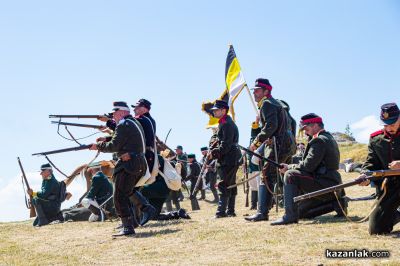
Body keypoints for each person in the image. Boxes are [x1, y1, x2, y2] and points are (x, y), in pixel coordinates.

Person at [89, 101, 156, 237]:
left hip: (130, 163)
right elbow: (123, 140)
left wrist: (99, 146)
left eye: (115, 113)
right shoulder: (131, 123)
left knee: (119, 196)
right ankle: (145, 208)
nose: (113, 116)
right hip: (137, 162)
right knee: (127, 191)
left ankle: (128, 227)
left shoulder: (124, 124)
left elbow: (115, 145)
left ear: (122, 112)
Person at [271, 113, 346, 225]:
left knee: (290, 175)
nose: (305, 132)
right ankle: (335, 204)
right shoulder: (328, 137)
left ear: (315, 125)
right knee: (300, 212)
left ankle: (290, 216)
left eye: (306, 128)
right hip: (330, 183)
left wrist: (288, 167)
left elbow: (308, 166)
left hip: (325, 182)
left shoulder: (319, 140)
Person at [246, 78, 296, 222]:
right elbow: (291, 123)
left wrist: (257, 141)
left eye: (257, 90)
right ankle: (289, 209)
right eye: (254, 90)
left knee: (266, 175)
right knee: (284, 174)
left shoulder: (267, 103)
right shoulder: (278, 104)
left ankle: (262, 212)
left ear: (266, 91)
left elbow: (270, 126)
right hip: (286, 143)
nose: (255, 93)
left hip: (278, 145)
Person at [357, 103, 400, 235]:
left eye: (392, 123)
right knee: (376, 230)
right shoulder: (376, 139)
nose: (389, 127)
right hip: (390, 187)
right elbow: (371, 163)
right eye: (386, 124)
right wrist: (365, 176)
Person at [209, 100, 241, 218]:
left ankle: (221, 212)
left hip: (228, 158)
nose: (214, 112)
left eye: (217, 110)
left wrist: (214, 152)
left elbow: (225, 145)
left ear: (224, 110)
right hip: (230, 157)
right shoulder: (224, 122)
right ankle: (230, 211)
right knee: (230, 184)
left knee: (224, 184)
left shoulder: (227, 123)